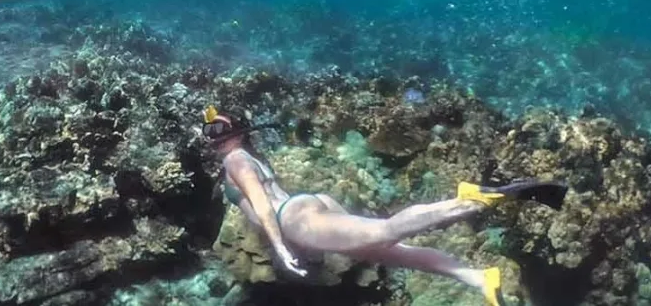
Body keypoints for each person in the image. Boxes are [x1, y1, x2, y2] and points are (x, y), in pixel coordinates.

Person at [200, 105, 569, 306]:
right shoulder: (246, 156)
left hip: (294, 222)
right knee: (396, 253)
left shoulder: (235, 161)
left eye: (218, 130)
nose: (213, 138)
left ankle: (469, 199)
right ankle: (477, 279)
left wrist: (281, 247)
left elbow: (261, 205)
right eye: (209, 131)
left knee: (386, 231)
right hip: (306, 208)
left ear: (237, 134)